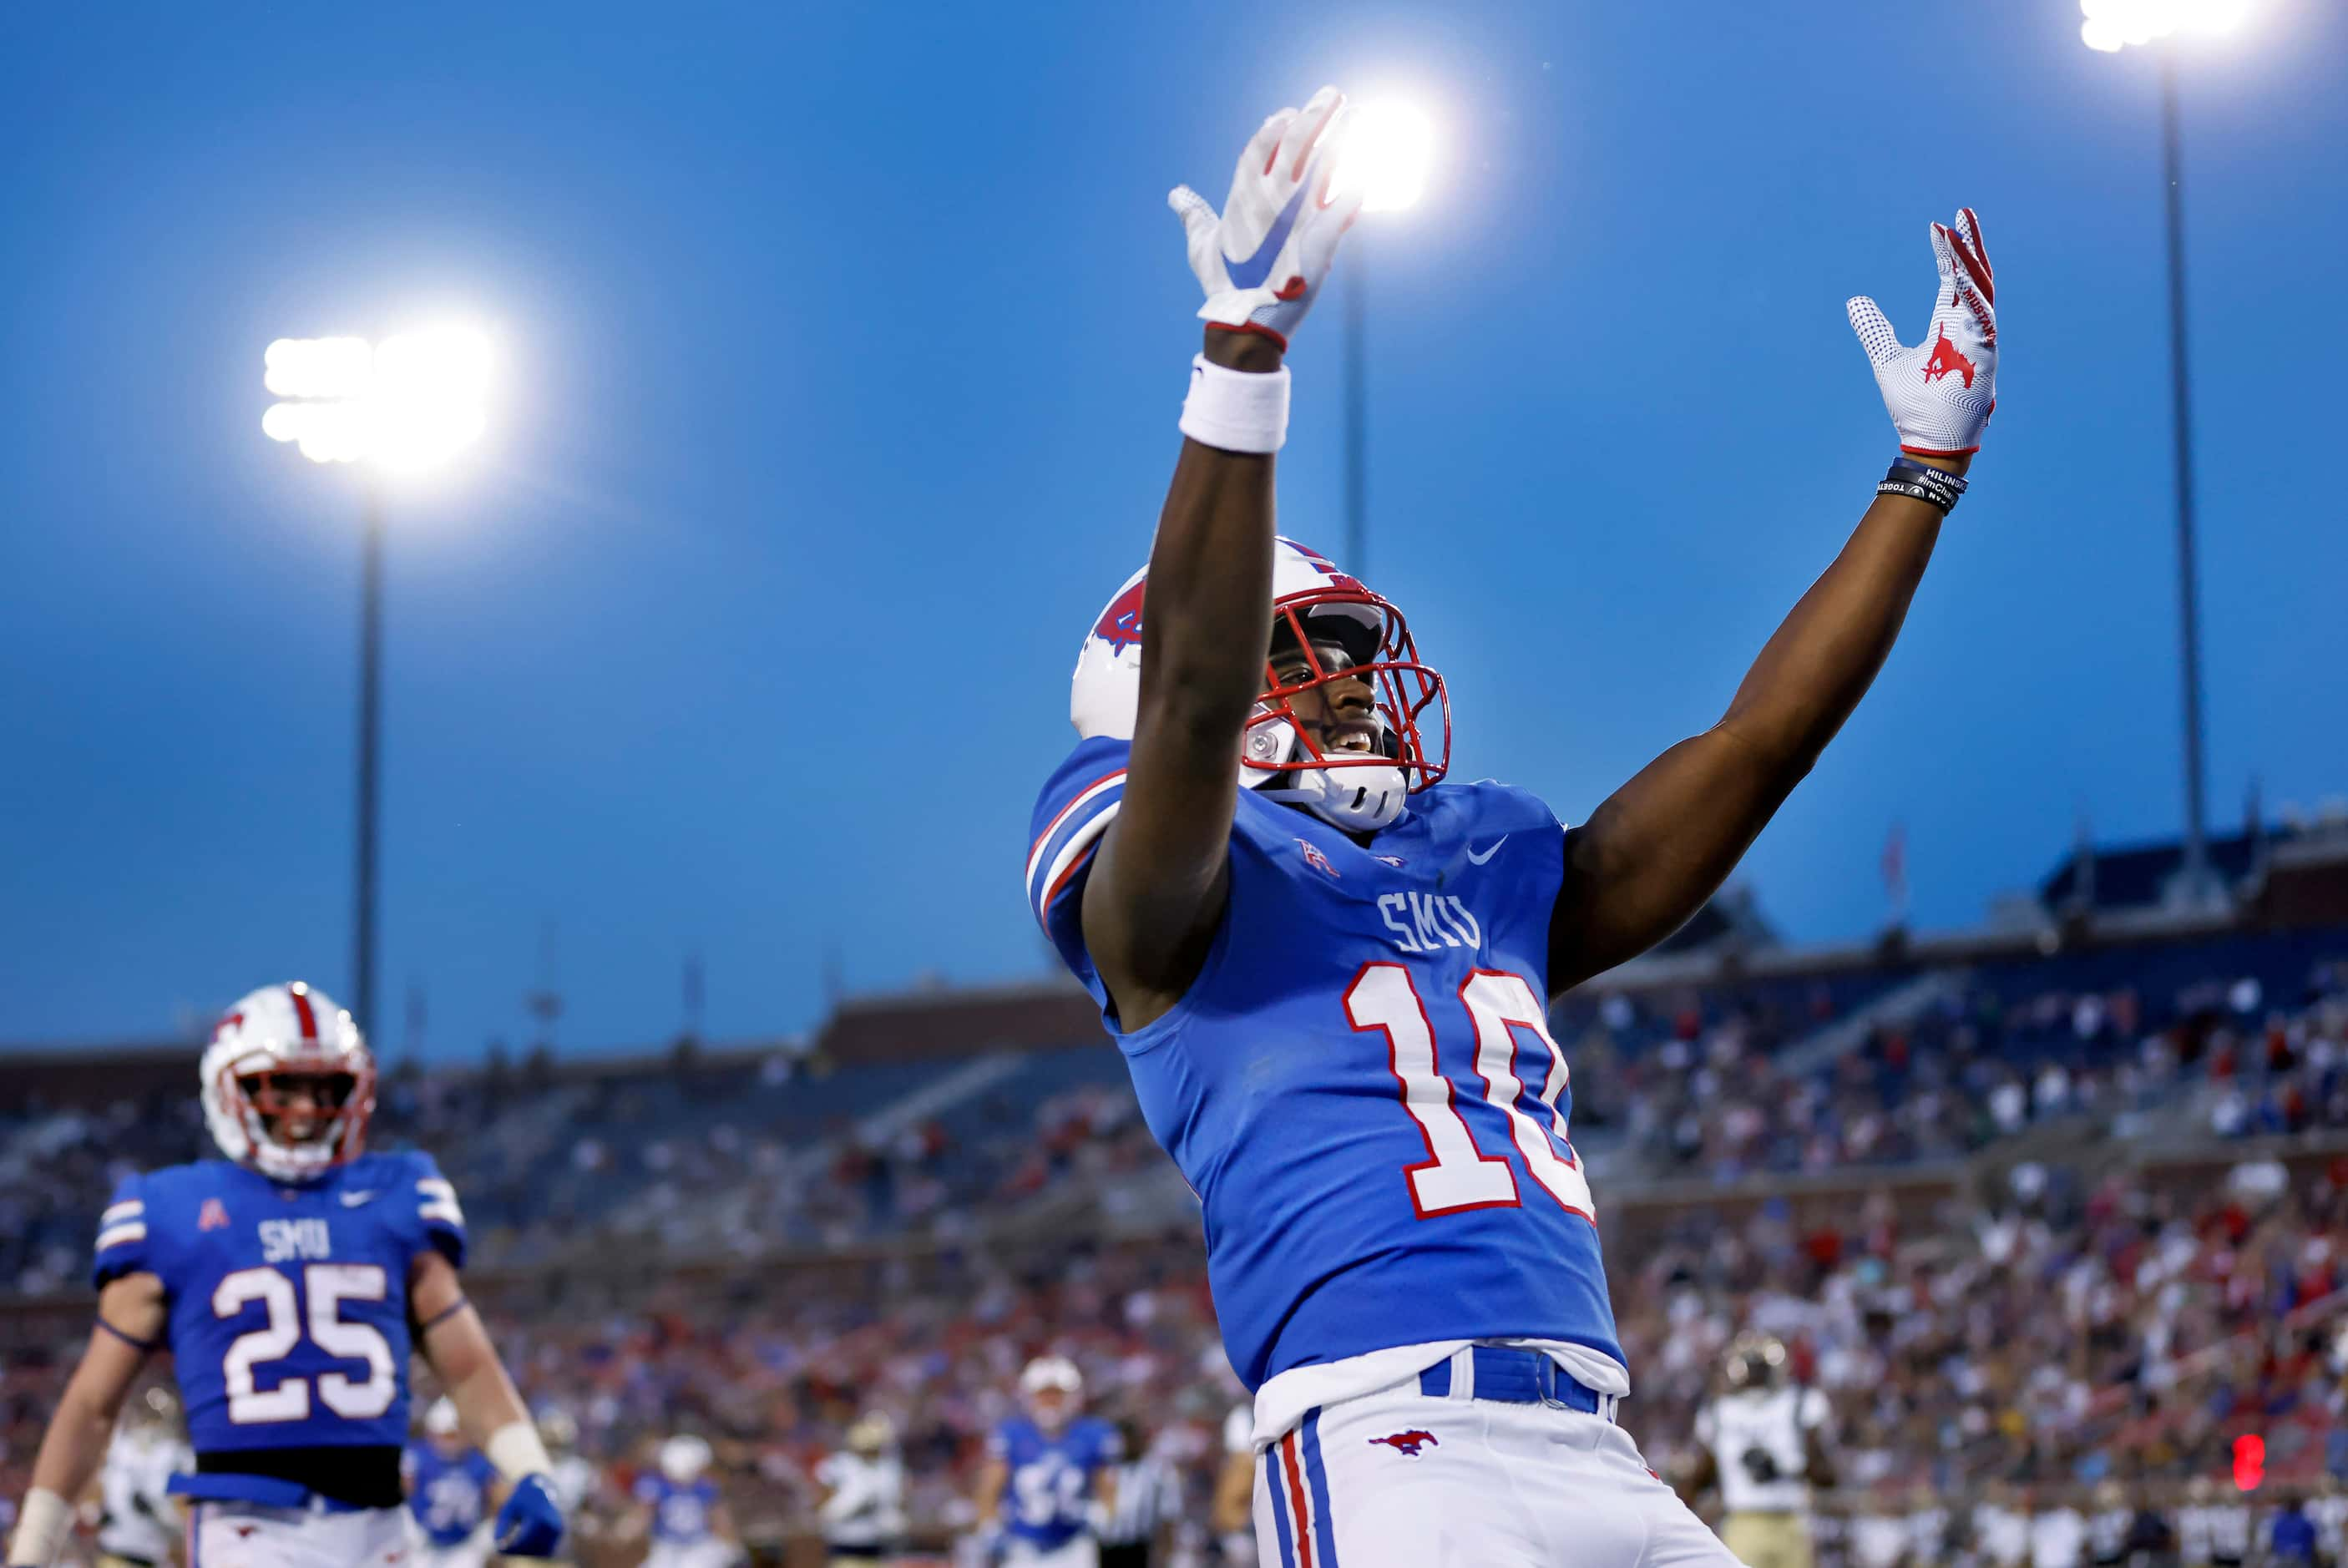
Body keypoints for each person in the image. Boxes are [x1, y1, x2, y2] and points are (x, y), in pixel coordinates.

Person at [1025, 82, 1996, 1568]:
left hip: (1596, 1445)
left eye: (1355, 659)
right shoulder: (1165, 893)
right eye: (1311, 656)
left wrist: (1920, 477)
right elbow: (1194, 705)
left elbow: (1756, 747)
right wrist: (1242, 361)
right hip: (1388, 1442)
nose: (1352, 690)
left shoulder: (1472, 859)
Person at [3, 983, 564, 1568]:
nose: (305, 1109)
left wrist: (532, 1471)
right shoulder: (173, 1211)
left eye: (326, 1088)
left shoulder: (395, 1195)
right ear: (230, 1088)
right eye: (283, 1088)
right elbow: (93, 1403)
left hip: (381, 1527)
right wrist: (32, 1552)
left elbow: (469, 1367)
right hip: (249, 1527)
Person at [1683, 1334, 1834, 1566]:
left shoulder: (1799, 1403)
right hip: (1745, 1518)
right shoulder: (1719, 1411)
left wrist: (1786, 1468)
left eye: (1759, 1368)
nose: (1756, 1376)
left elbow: (1826, 1475)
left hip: (1788, 1518)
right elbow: (1703, 1475)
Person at [972, 1358, 1121, 1568]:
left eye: (1057, 1395)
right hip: (1022, 1544)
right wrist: (989, 1526)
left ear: (1073, 1397)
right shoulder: (1011, 1434)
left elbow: (1108, 1490)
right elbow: (989, 1489)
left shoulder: (1095, 1434)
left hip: (1074, 1544)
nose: (1050, 1402)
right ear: (1028, 1396)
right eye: (1043, 1395)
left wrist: (1103, 1515)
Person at [89, 1386, 188, 1568]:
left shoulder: (177, 1455)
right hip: (112, 1551)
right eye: (146, 1413)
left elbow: (186, 1517)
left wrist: (160, 1513)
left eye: (154, 1415)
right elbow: (93, 1495)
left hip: (153, 1554)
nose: (148, 1421)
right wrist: (98, 1509)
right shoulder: (122, 1448)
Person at [404, 1398, 498, 1568]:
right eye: (448, 1434)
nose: (453, 1440)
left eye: (457, 1433)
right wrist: (407, 1525)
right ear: (431, 1433)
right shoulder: (417, 1457)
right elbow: (401, 1495)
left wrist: (487, 1530)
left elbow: (496, 1501)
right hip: (424, 1543)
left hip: (465, 1545)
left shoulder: (480, 1461)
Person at [626, 1435, 738, 1568]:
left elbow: (721, 1521)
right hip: (666, 1547)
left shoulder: (706, 1488)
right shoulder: (656, 1486)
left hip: (700, 1546)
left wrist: (733, 1547)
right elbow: (640, 1516)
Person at [813, 1411, 907, 1566]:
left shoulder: (888, 1469)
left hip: (879, 1544)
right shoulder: (840, 1465)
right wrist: (847, 1504)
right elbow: (823, 1507)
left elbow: (898, 1505)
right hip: (844, 1543)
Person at [1097, 1420, 1182, 1568]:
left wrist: (1166, 1555)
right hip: (1107, 1546)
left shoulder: (1157, 1472)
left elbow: (1168, 1517)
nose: (1126, 1444)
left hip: (1140, 1546)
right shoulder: (1106, 1470)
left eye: (1130, 1438)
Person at [535, 1407, 605, 1566]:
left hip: (566, 1547)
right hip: (531, 1545)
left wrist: (586, 1521)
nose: (556, 1443)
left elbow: (591, 1507)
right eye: (551, 1438)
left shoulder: (580, 1470)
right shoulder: (530, 1465)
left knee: (589, 1528)